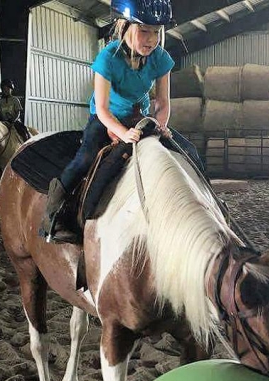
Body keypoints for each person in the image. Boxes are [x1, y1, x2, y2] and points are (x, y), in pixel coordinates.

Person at [43, 0, 201, 241]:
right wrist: (121, 132)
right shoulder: (107, 59)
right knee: (85, 158)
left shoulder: (161, 58)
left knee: (188, 151)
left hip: (141, 118)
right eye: (144, 31)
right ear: (124, 26)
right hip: (107, 117)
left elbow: (162, 102)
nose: (151, 39)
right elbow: (103, 109)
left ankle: (206, 205)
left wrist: (160, 124)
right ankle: (54, 213)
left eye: (156, 32)